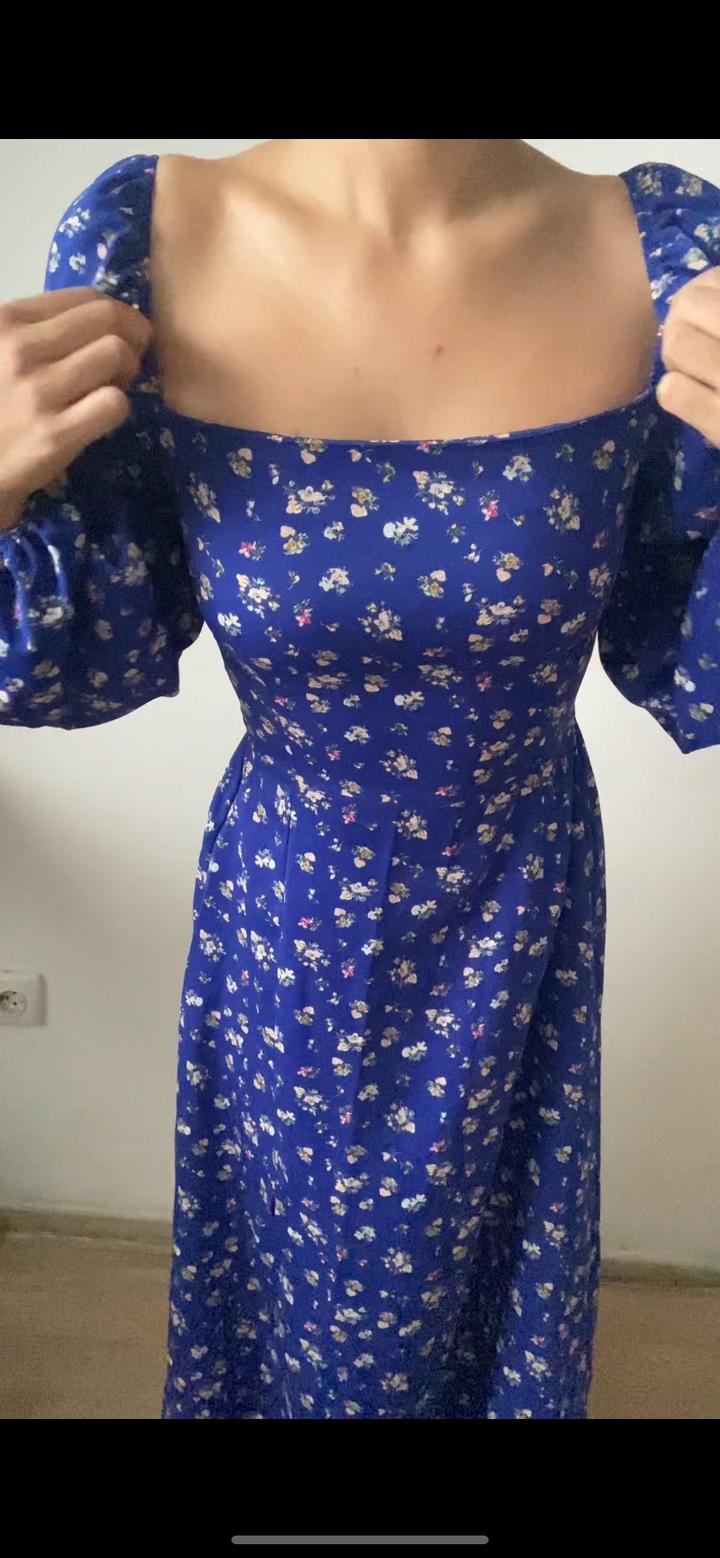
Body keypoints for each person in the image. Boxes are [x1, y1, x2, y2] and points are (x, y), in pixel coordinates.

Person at [1, 140, 719, 1420]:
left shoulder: (666, 252)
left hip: (523, 901)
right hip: (286, 908)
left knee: (496, 1268)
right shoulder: (141, 235)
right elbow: (81, 653)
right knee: (300, 1282)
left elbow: (690, 653)